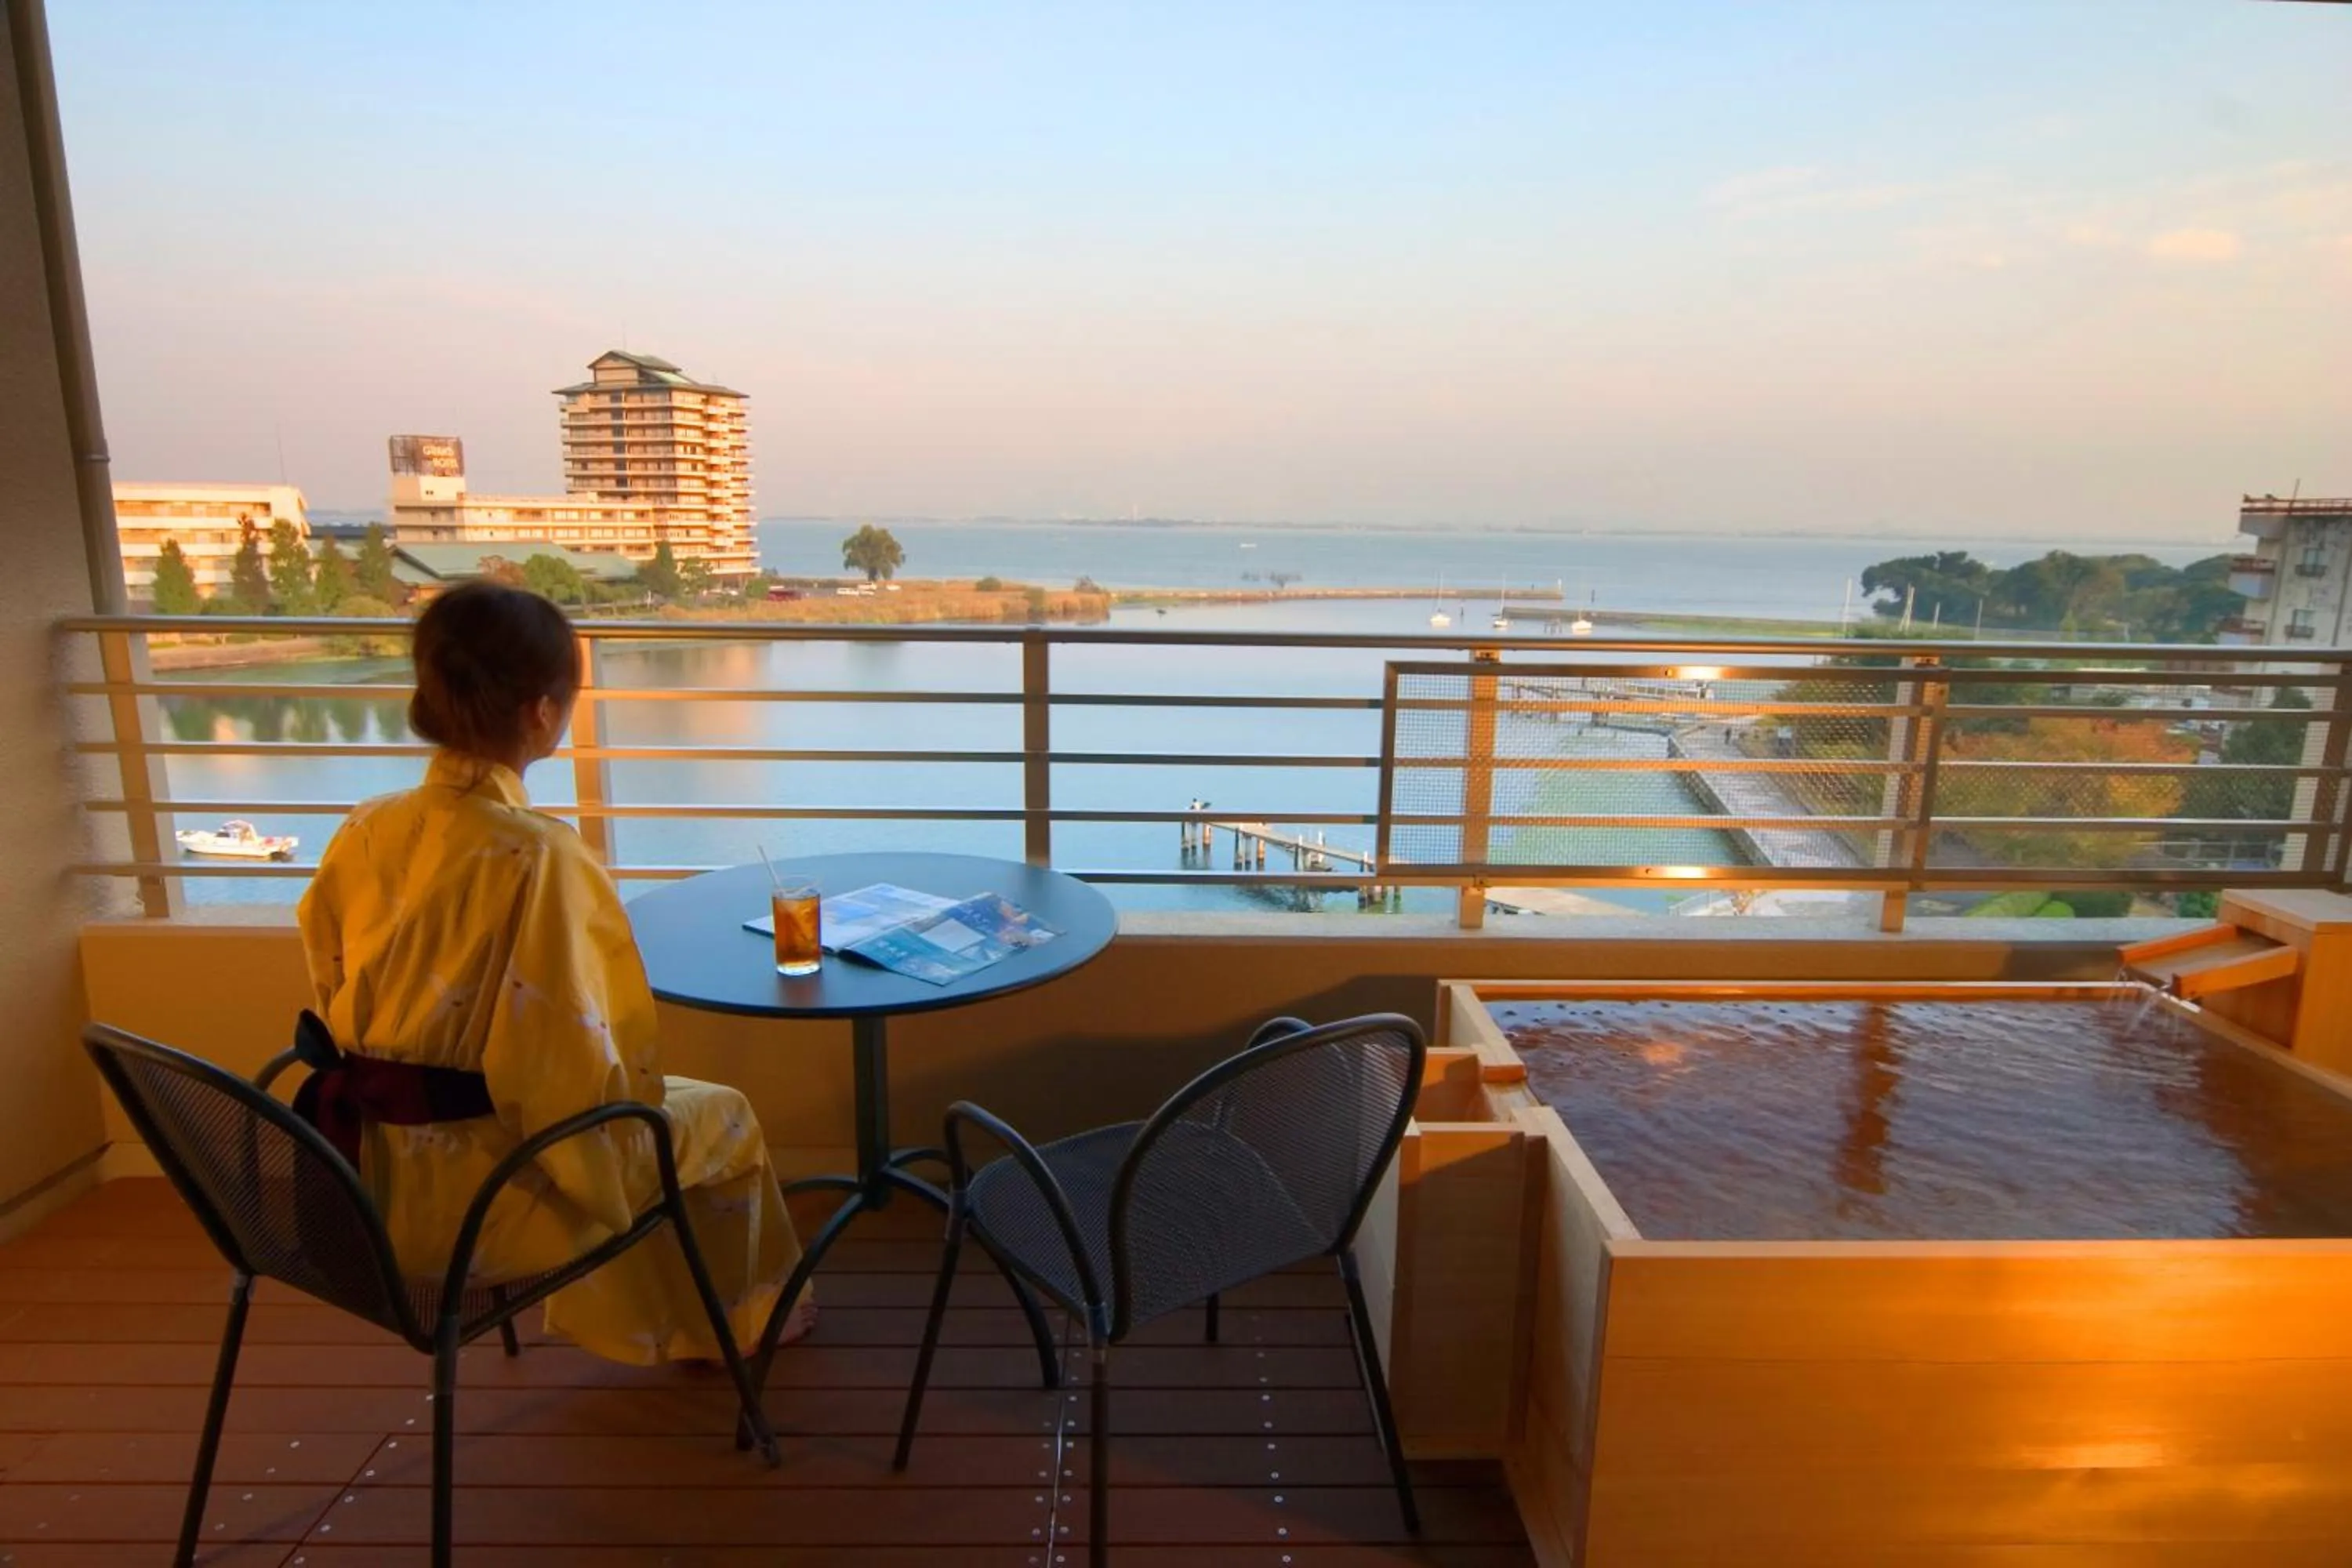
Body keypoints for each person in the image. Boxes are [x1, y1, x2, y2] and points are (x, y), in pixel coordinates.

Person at [296, 582, 810, 1365]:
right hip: (475, 1204)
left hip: (362, 1173)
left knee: (625, 1119)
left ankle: (652, 1320)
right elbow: (569, 1077)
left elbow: (330, 980)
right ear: (542, 712)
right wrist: (620, 1116)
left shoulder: (365, 826)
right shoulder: (540, 856)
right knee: (710, 1116)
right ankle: (743, 1325)